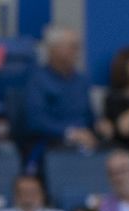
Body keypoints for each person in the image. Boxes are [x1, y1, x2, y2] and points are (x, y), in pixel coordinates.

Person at [23, 25, 99, 153]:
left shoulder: (82, 80)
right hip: (51, 145)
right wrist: (71, 133)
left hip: (86, 143)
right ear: (54, 50)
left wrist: (100, 125)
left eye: (77, 47)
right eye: (72, 47)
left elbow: (89, 117)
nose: (77, 52)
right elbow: (36, 122)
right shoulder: (37, 80)